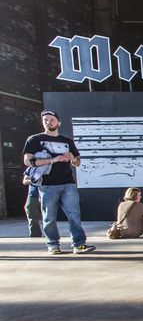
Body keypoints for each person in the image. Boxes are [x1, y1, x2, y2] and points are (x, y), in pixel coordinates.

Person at [21, 109, 95, 255]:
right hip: (47, 185)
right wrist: (53, 160)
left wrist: (72, 158)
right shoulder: (34, 139)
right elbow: (27, 161)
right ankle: (53, 245)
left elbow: (78, 163)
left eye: (52, 120)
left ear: (59, 122)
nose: (49, 122)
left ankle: (79, 244)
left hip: (68, 183)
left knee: (74, 215)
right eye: (45, 120)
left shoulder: (67, 141)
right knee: (49, 217)